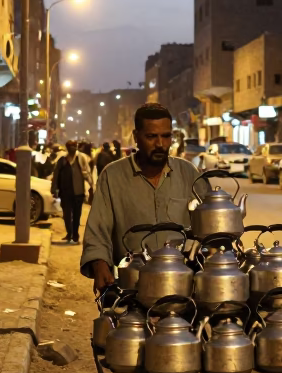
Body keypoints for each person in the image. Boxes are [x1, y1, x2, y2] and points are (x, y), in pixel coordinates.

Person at [82, 104, 198, 293]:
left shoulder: (189, 174)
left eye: (166, 136)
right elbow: (98, 230)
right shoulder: (112, 176)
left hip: (182, 286)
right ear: (136, 137)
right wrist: (99, 264)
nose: (160, 144)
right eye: (151, 137)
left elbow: (208, 227)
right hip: (132, 286)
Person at [51, 140, 92, 242]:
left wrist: (92, 186)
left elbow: (87, 173)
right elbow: (56, 175)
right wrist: (54, 189)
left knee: (77, 215)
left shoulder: (81, 158)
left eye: (74, 146)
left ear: (76, 147)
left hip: (78, 193)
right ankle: (69, 233)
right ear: (67, 148)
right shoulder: (62, 160)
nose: (72, 148)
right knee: (67, 215)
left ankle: (75, 235)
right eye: (70, 146)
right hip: (65, 193)